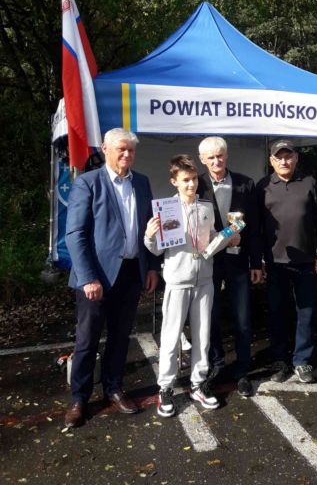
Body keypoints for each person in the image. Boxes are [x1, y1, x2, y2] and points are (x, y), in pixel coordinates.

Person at [64, 128, 159, 428]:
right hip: (96, 276)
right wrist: (88, 277)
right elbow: (75, 234)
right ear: (105, 149)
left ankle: (114, 388)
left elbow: (150, 227)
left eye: (131, 150)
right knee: (87, 339)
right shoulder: (88, 183)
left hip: (131, 273)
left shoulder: (141, 182)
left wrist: (152, 267)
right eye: (121, 149)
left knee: (120, 336)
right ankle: (79, 398)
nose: (127, 154)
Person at [145, 154, 230, 418]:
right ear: (174, 182)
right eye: (185, 180)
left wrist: (229, 236)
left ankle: (198, 384)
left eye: (193, 179)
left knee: (203, 335)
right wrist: (149, 236)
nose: (191, 184)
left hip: (204, 280)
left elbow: (212, 240)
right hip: (178, 280)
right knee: (171, 337)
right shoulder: (165, 209)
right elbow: (156, 250)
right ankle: (166, 388)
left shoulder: (206, 207)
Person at [256, 139, 317, 383]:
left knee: (305, 312)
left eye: (288, 157)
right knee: (278, 312)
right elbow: (256, 227)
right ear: (271, 161)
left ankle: (302, 360)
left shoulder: (309, 183)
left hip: (306, 261)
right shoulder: (263, 186)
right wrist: (257, 260)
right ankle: (280, 360)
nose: (284, 161)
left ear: (296, 158)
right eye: (279, 157)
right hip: (274, 262)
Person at [197, 136, 262, 397]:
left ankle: (243, 370)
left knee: (242, 318)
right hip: (209, 262)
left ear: (227, 155)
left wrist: (256, 262)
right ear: (202, 160)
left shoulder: (246, 183)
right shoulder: (196, 184)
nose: (216, 161)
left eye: (220, 155)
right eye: (211, 157)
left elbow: (254, 227)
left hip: (238, 260)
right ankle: (217, 365)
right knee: (210, 317)